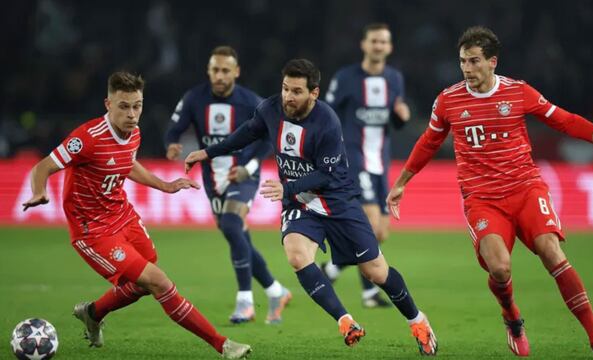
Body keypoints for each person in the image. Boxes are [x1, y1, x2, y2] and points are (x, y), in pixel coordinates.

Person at [387, 26, 593, 360]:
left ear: (492, 62)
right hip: (482, 198)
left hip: (525, 188)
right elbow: (428, 142)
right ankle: (512, 317)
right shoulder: (448, 100)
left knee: (552, 253)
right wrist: (402, 182)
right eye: (462, 61)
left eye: (474, 61)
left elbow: (566, 121)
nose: (467, 68)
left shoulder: (518, 92)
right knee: (500, 269)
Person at [184, 58, 437, 356]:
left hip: (337, 201)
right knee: (296, 255)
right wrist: (208, 152)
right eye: (285, 89)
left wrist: (286, 187)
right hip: (300, 204)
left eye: (296, 91)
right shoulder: (271, 108)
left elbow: (325, 174)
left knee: (376, 272)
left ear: (314, 93)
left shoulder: (327, 122)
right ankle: (345, 321)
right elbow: (247, 133)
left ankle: (417, 320)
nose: (288, 97)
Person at [22, 71, 251, 359]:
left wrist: (165, 186)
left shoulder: (134, 132)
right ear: (108, 104)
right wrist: (39, 190)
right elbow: (42, 166)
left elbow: (127, 164)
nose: (132, 114)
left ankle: (92, 313)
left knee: (142, 283)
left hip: (123, 216)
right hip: (93, 230)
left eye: (137, 106)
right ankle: (222, 345)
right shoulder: (86, 138)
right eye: (124, 106)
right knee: (159, 282)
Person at [165, 45, 291, 324]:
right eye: (215, 70)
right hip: (213, 179)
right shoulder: (194, 99)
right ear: (208, 71)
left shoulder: (251, 102)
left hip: (243, 174)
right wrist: (171, 143)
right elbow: (173, 128)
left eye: (225, 70)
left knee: (233, 226)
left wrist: (250, 167)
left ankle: (245, 302)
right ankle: (275, 290)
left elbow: (271, 137)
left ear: (236, 71)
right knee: (238, 237)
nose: (219, 76)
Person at [322, 23, 410, 308]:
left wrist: (402, 117)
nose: (378, 46)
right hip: (352, 159)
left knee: (381, 232)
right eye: (374, 41)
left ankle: (332, 269)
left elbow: (394, 119)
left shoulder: (394, 79)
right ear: (364, 44)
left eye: (383, 42)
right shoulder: (346, 78)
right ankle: (370, 293)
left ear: (390, 47)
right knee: (370, 223)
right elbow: (326, 113)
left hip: (380, 162)